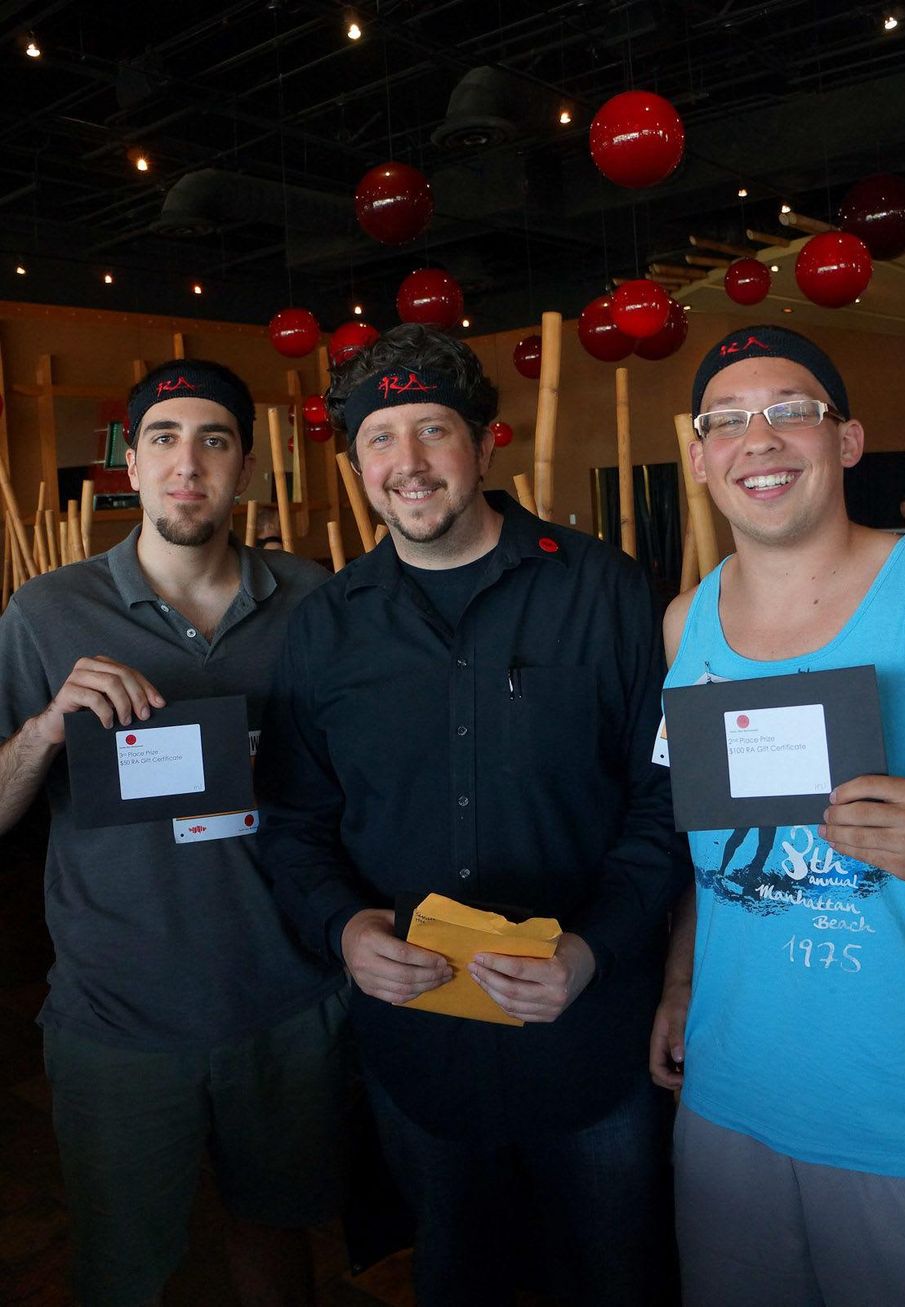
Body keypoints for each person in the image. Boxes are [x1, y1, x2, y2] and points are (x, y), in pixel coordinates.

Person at [255, 323, 689, 1307]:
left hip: (590, 1042)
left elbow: (665, 805)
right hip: (421, 1052)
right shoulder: (323, 626)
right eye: (379, 437)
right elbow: (291, 821)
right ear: (353, 458)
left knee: (617, 1272)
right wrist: (345, 926)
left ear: (486, 441)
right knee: (456, 1272)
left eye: (432, 430)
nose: (406, 463)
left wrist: (586, 951)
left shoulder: (605, 590)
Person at [0, 359, 346, 1307]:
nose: (186, 462)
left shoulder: (315, 600)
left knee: (278, 1242)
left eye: (214, 439)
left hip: (284, 995)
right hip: (120, 1011)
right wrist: (41, 730)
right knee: (122, 1264)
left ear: (245, 471)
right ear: (132, 463)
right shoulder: (45, 612)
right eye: (163, 437)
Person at [650, 324, 905, 1307]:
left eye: (791, 409)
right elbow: (710, 843)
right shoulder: (683, 620)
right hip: (728, 1098)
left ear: (843, 442)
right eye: (728, 420)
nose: (760, 437)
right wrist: (676, 978)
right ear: (701, 458)